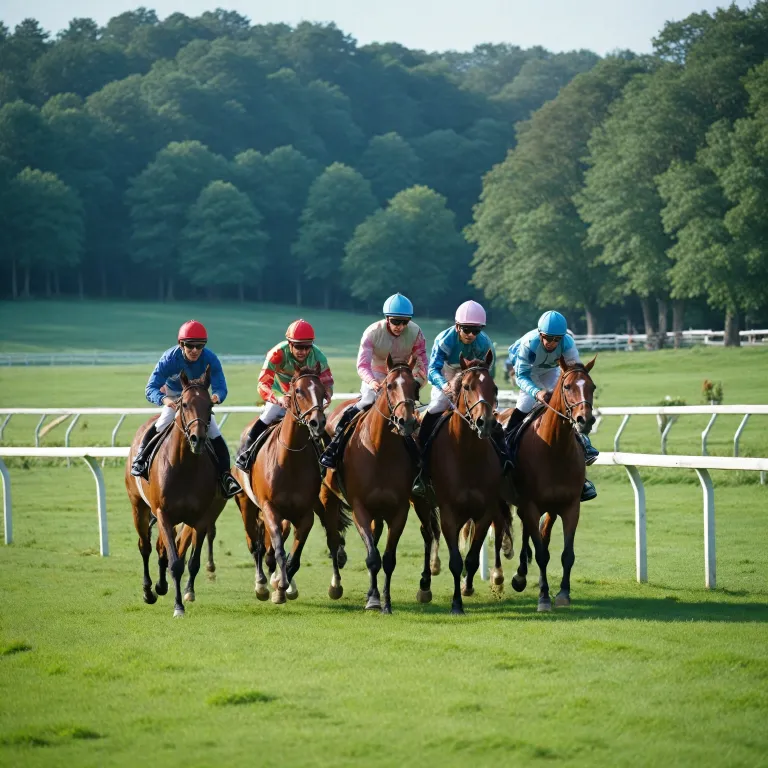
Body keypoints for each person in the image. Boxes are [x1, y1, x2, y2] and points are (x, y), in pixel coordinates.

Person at [131, 320, 242, 498]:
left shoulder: (210, 359)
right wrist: (164, 399)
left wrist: (215, 397)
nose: (195, 350)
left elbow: (221, 386)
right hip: (175, 397)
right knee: (162, 423)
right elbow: (150, 387)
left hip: (197, 400)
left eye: (200, 346)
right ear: (181, 344)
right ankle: (141, 460)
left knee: (214, 432)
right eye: (190, 346)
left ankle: (225, 477)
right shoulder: (169, 358)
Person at [319, 293, 427, 470]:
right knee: (367, 401)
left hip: (403, 376)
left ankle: (419, 461)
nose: (400, 326)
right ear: (387, 319)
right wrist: (372, 383)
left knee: (409, 411)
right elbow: (362, 365)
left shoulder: (416, 333)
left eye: (405, 322)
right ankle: (333, 449)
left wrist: (416, 382)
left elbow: (422, 362)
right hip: (377, 375)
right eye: (395, 321)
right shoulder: (372, 332)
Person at [505, 310, 598, 501]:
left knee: (567, 408)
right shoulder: (528, 344)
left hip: (552, 372)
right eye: (548, 338)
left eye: (557, 339)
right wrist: (537, 392)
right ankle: (506, 451)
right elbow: (520, 376)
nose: (552, 343)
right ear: (540, 335)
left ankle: (583, 454)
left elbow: (574, 372)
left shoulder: (568, 343)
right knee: (524, 406)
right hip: (528, 374)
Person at [235, 319, 334, 470]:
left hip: (305, 395)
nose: (303, 351)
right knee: (268, 414)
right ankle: (245, 453)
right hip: (279, 392)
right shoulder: (277, 354)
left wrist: (327, 394)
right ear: (289, 343)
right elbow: (262, 383)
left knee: (320, 419)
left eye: (307, 347)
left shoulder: (318, 356)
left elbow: (327, 382)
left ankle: (329, 458)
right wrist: (278, 399)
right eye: (298, 346)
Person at [418, 300, 496, 446]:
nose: (471, 335)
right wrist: (443, 384)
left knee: (488, 409)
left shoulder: (485, 343)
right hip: (447, 371)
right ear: (457, 326)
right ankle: (422, 448)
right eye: (466, 330)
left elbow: (489, 373)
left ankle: (503, 452)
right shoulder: (445, 340)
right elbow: (433, 369)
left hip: (472, 373)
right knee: (438, 405)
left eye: (476, 331)